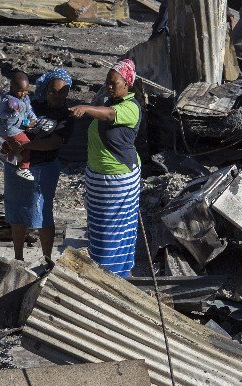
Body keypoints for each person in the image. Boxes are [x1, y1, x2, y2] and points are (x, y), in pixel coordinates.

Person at [69, 59, 142, 278]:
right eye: (107, 82)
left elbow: (110, 116)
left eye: (114, 82)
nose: (109, 86)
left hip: (117, 179)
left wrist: (86, 107)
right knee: (99, 230)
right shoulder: (107, 101)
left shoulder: (131, 108)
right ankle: (103, 274)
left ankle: (114, 276)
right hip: (97, 178)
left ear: (127, 83)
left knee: (114, 232)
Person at [4, 68, 75, 265]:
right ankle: (18, 257)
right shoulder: (31, 104)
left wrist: (25, 144)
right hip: (17, 165)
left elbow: (54, 142)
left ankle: (46, 259)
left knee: (42, 213)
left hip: (44, 168)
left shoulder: (66, 115)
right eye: (53, 91)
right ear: (45, 89)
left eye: (62, 92)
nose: (57, 96)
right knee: (17, 212)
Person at [0, 71, 38, 181]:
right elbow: (2, 115)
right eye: (20, 91)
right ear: (12, 88)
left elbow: (29, 110)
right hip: (10, 129)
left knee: (15, 144)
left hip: (18, 127)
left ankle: (4, 151)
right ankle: (23, 168)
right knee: (26, 145)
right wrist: (13, 114)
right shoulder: (8, 101)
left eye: (26, 90)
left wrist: (33, 119)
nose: (23, 93)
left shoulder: (25, 98)